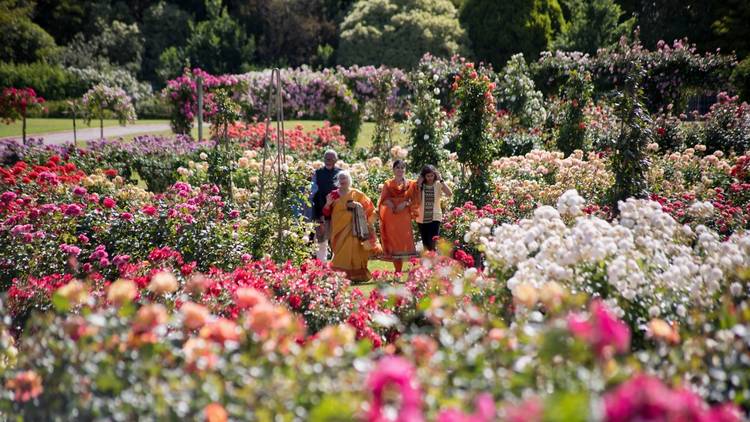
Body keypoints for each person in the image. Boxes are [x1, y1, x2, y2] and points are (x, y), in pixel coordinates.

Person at [323, 171, 377, 282]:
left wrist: (357, 205)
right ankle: (338, 277)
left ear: (349, 180)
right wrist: (328, 204)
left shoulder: (356, 194)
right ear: (338, 181)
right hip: (338, 230)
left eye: (345, 178)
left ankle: (355, 277)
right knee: (340, 253)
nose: (342, 181)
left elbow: (370, 209)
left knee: (355, 252)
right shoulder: (333, 194)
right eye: (340, 178)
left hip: (355, 230)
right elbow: (326, 213)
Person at [378, 159, 418, 273]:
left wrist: (404, 204)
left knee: (405, 240)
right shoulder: (388, 183)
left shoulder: (410, 184)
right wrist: (392, 204)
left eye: (402, 168)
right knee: (394, 242)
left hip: (404, 216)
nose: (400, 170)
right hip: (392, 215)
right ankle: (398, 271)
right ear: (393, 169)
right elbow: (383, 199)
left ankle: (414, 271)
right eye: (397, 167)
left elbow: (414, 197)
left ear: (405, 169)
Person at [310, 149, 341, 261]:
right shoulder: (318, 173)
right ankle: (321, 266)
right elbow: (314, 194)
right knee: (321, 241)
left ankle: (337, 265)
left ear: (336, 160)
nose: (328, 161)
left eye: (331, 159)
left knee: (337, 240)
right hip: (320, 212)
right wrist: (319, 215)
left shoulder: (340, 173)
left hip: (337, 212)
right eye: (326, 158)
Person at [413, 165, 452, 252]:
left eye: (432, 175)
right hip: (422, 217)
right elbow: (418, 201)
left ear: (435, 175)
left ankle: (434, 263)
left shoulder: (438, 184)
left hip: (435, 217)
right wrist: (419, 185)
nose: (430, 178)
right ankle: (427, 264)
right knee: (426, 245)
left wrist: (441, 180)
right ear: (424, 176)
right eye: (427, 176)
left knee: (432, 242)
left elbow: (449, 193)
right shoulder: (419, 186)